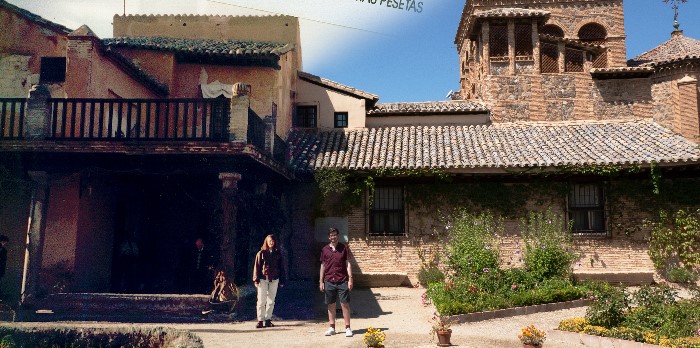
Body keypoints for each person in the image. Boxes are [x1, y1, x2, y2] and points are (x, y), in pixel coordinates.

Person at [319, 227, 354, 337]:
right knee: (331, 305)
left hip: (342, 280)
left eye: (335, 235)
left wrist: (350, 278)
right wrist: (321, 281)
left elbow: (348, 264)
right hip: (329, 280)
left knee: (345, 304)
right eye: (331, 235)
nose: (333, 237)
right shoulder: (325, 249)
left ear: (338, 236)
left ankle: (348, 328)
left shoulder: (344, 248)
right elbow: (323, 266)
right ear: (328, 237)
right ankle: (332, 327)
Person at [252, 234, 286, 329]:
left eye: (273, 241)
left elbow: (281, 268)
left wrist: (282, 280)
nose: (271, 242)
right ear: (266, 241)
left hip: (274, 279)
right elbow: (257, 267)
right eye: (270, 241)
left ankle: (268, 319)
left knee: (271, 300)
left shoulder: (278, 253)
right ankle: (260, 320)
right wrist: (256, 279)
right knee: (261, 300)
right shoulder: (261, 253)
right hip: (263, 279)